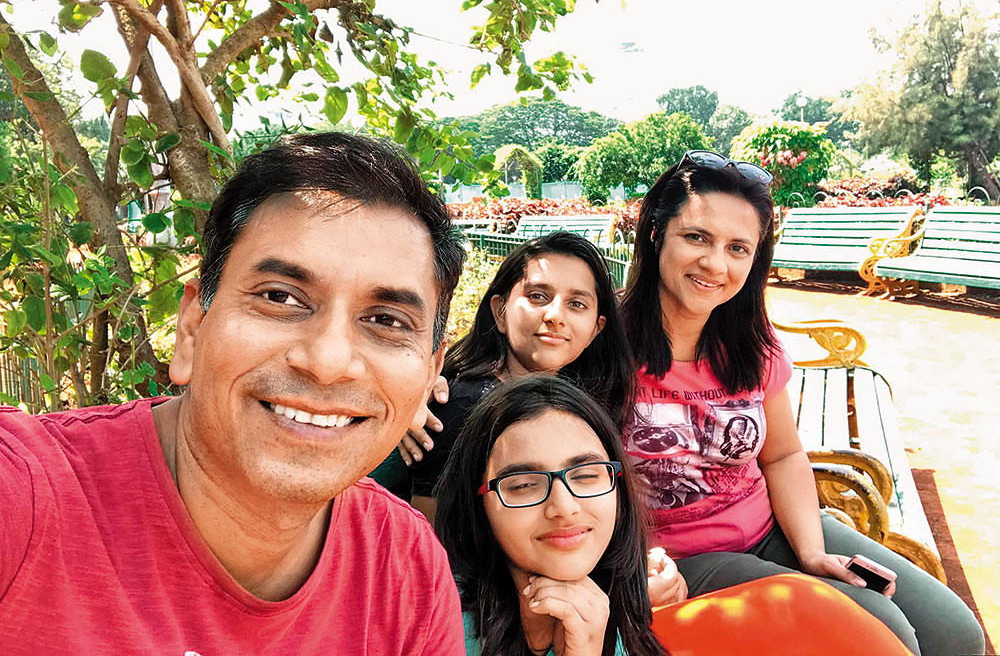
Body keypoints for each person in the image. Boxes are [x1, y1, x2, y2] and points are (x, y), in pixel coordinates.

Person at [0, 133, 466, 653]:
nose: (329, 362)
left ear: (430, 371)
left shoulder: (405, 570)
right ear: (192, 328)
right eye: (280, 297)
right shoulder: (25, 499)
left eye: (386, 320)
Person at [617, 150, 984, 655]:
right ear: (656, 234)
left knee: (954, 633)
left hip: (774, 527)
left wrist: (811, 551)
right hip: (679, 559)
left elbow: (784, 454)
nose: (715, 263)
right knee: (883, 634)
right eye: (696, 237)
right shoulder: (603, 346)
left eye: (738, 248)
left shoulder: (747, 338)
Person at [436, 375, 913, 656]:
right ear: (478, 502)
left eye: (586, 475)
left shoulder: (623, 605)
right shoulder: (438, 626)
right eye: (523, 485)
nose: (563, 508)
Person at [395, 232, 635, 524]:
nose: (555, 315)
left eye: (577, 304)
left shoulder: (588, 405)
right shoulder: (459, 406)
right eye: (537, 296)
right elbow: (430, 537)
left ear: (595, 330)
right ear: (500, 311)